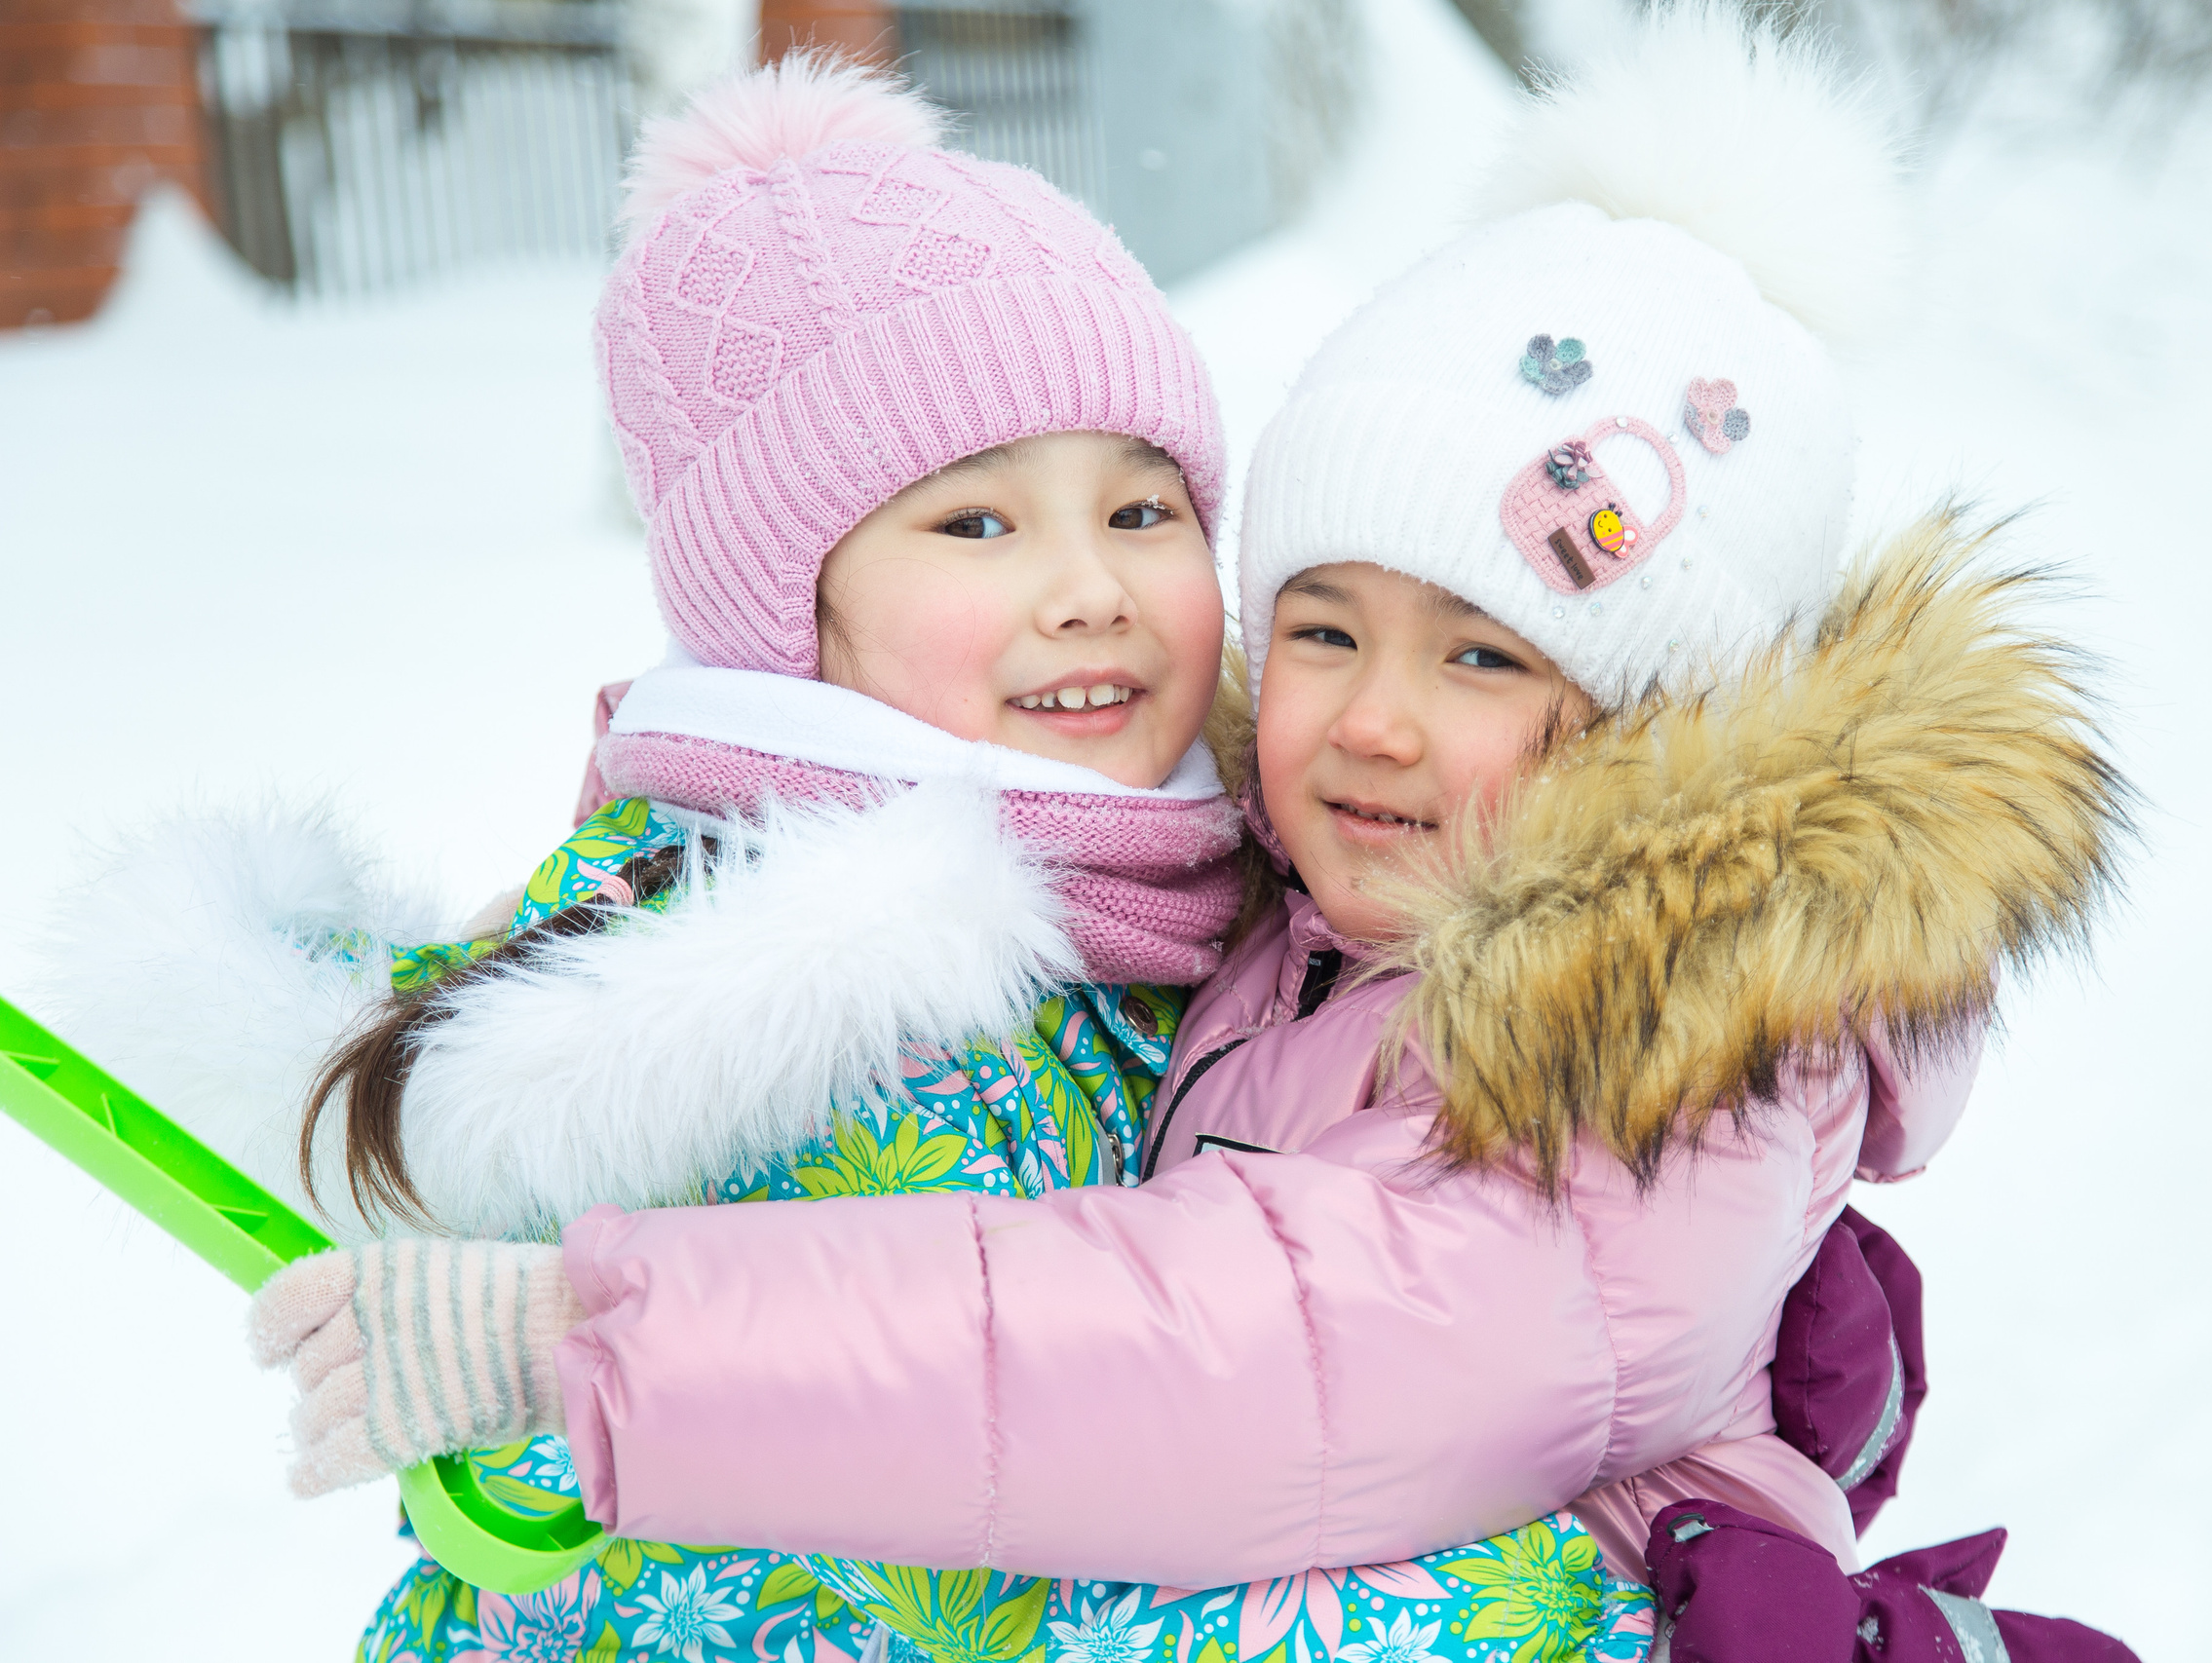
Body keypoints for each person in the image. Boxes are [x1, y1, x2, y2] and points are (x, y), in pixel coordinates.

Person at [248, 12, 2143, 1662]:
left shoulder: (1661, 1059)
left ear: (1671, 726)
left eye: (1484, 652)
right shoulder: (1271, 900)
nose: (1371, 716)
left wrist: (597, 1338)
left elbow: (1225, 1348)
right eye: (1320, 626)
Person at [49, 46, 1660, 1663]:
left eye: (1143, 508)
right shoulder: (724, 967)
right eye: (976, 525)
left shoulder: (1231, 881)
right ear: (789, 611)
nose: (1088, 586)